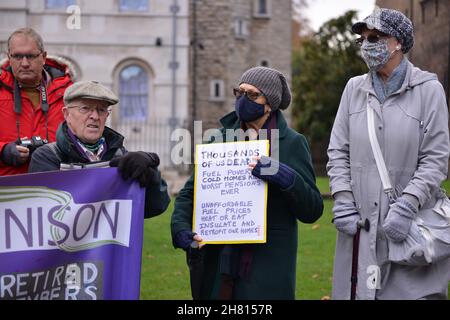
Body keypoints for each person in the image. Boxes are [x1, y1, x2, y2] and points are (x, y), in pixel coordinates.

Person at [327, 8, 450, 300]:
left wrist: (407, 205)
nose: (368, 44)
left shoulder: (428, 90)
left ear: (399, 43)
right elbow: (337, 150)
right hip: (359, 226)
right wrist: (343, 199)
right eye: (364, 39)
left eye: (376, 37)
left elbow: (435, 159)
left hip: (409, 227)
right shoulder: (353, 89)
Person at [171, 66, 324, 299]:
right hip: (219, 264)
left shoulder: (292, 143)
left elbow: (312, 209)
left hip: (267, 269)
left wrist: (285, 176)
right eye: (239, 92)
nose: (243, 100)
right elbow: (189, 194)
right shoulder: (218, 139)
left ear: (269, 104)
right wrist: (181, 228)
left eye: (252, 95)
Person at [29, 80, 170, 219]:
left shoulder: (119, 154)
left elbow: (156, 206)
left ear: (106, 116)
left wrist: (150, 173)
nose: (95, 116)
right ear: (66, 114)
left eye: (101, 110)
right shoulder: (48, 156)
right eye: (85, 108)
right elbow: (44, 213)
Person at [0, 27, 74, 176]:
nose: (25, 63)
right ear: (9, 57)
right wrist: (3, 151)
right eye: (18, 56)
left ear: (44, 57)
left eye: (31, 56)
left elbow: (86, 141)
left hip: (57, 192)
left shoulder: (69, 93)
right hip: (7, 192)